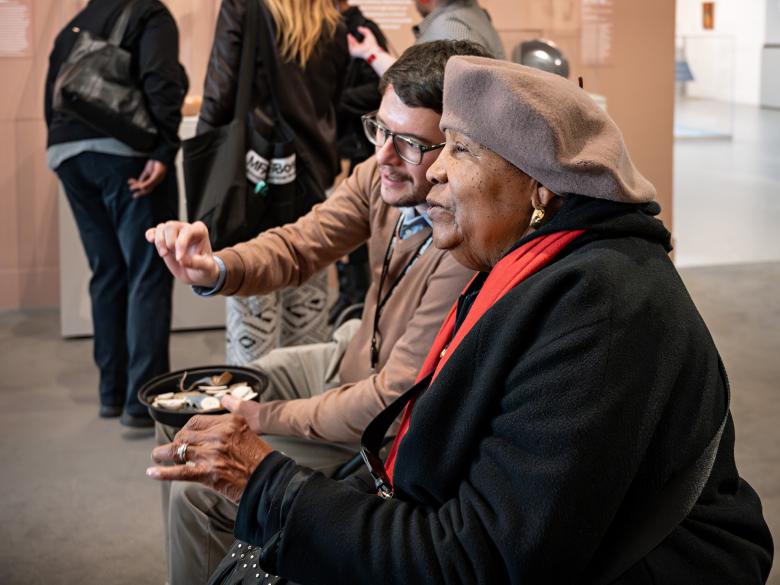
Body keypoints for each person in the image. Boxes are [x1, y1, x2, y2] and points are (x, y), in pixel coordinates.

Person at [148, 57, 774, 584]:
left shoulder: (603, 310)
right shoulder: (535, 267)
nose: (434, 170)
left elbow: (484, 559)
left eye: (459, 149)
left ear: (542, 190)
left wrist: (270, 482)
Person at [146, 41, 487, 585]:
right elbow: (300, 243)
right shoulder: (382, 179)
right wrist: (215, 268)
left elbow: (390, 402)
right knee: (194, 419)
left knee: (194, 485)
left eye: (409, 143)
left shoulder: (465, 243)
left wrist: (263, 420)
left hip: (377, 425)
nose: (383, 156)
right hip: (348, 361)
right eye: (380, 128)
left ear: (457, 150)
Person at [45, 0, 188, 427]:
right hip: (125, 154)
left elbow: (53, 94)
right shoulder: (149, 13)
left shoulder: (76, 22)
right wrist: (163, 148)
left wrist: (61, 151)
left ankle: (111, 392)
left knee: (106, 270)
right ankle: (143, 401)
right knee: (147, 270)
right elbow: (160, 78)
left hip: (68, 154)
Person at [200, 0, 349, 365]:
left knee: (251, 295)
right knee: (308, 310)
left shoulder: (242, 7)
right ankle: (301, 416)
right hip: (314, 177)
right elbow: (337, 101)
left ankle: (252, 414)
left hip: (255, 176)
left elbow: (220, 90)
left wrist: (207, 160)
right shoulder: (331, 22)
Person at [330, 0, 391, 324]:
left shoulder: (359, 29)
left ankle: (356, 297)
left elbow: (380, 89)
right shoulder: (337, 29)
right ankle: (350, 295)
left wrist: (333, 102)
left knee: (357, 223)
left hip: (358, 145)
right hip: (347, 144)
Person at [349, 0, 505, 76]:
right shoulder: (472, 14)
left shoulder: (449, 29)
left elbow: (428, 97)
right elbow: (420, 80)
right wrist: (372, 53)